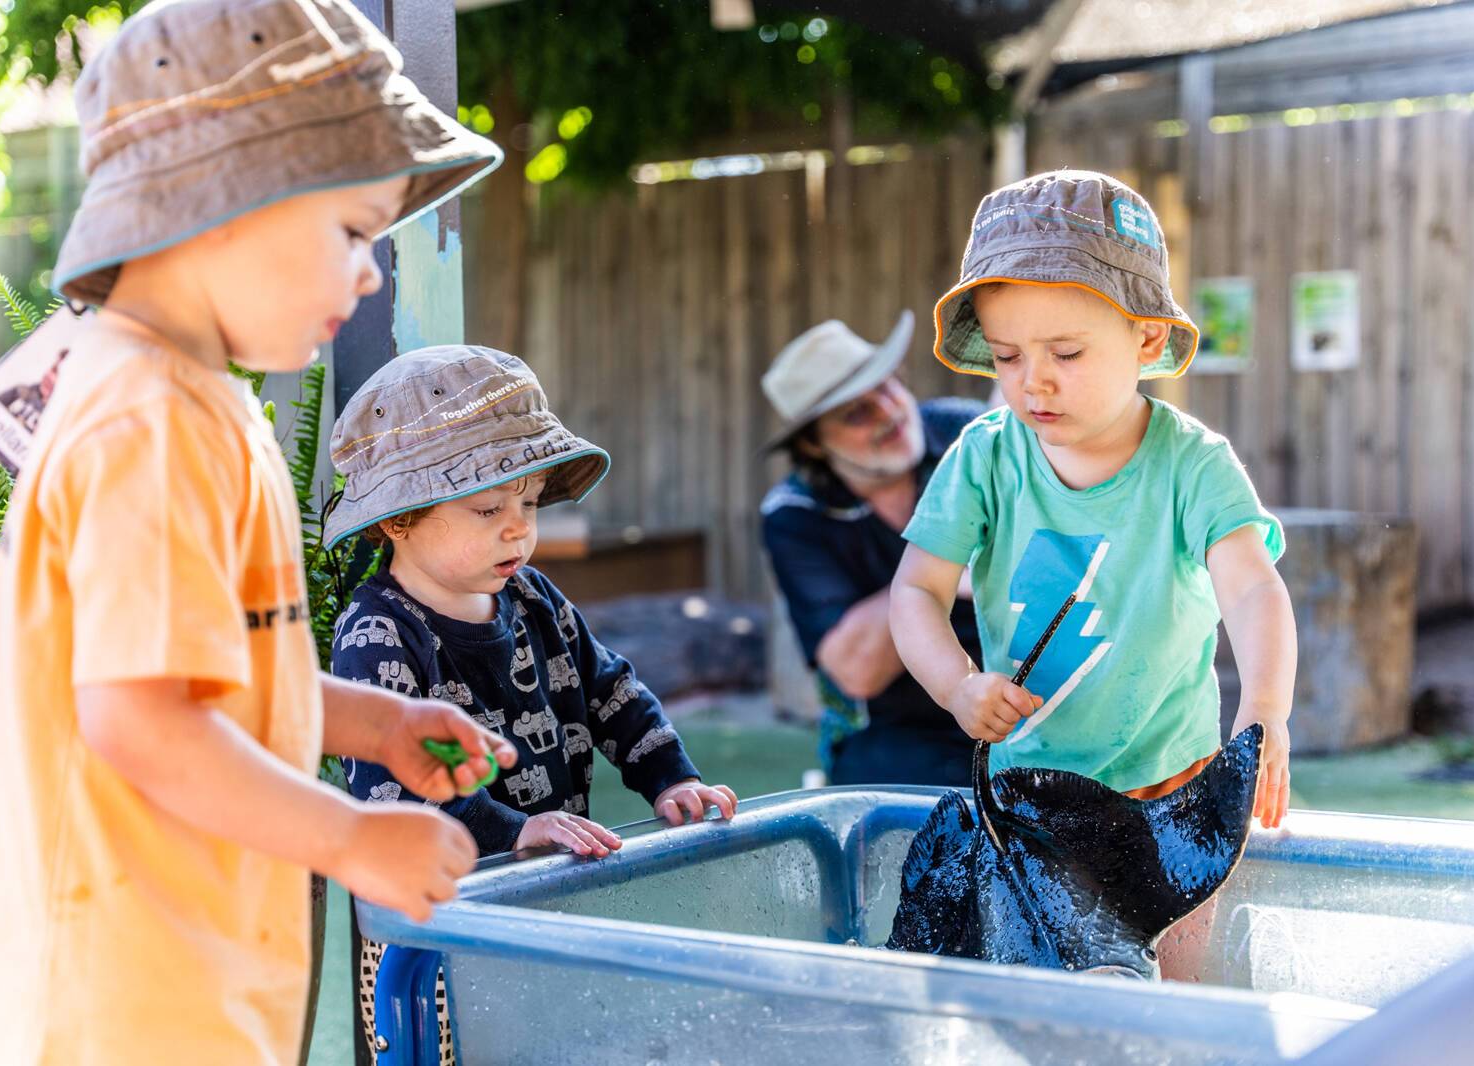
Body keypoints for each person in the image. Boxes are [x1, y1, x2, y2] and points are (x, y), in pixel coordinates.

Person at [0, 2, 515, 1061]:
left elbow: (219, 672)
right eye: (351, 231)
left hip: (166, 971)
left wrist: (372, 726)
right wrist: (351, 837)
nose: (373, 270)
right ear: (227, 201)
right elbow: (141, 720)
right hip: (105, 995)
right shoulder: (147, 417)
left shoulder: (191, 402)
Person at [324, 345, 737, 1057]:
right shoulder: (378, 633)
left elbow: (612, 690)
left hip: (542, 906)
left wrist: (673, 779)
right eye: (488, 507)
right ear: (398, 521)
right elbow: (394, 796)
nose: (518, 526)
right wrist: (511, 829)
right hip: (432, 936)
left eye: (529, 502)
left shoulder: (532, 596)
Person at [890, 169, 1297, 830]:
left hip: (1173, 780)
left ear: (1148, 338)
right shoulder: (984, 457)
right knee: (1029, 937)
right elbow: (916, 592)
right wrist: (956, 684)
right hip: (1024, 787)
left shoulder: (1194, 466)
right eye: (1007, 357)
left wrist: (1265, 712)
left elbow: (1253, 592)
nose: (1034, 383)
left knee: (1185, 938)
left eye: (1067, 352)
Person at [759, 312, 985, 785]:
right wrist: (939, 566)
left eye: (887, 385)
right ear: (815, 444)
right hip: (898, 728)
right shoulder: (794, 514)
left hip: (1021, 687)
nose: (889, 412)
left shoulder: (969, 435)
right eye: (856, 411)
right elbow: (856, 672)